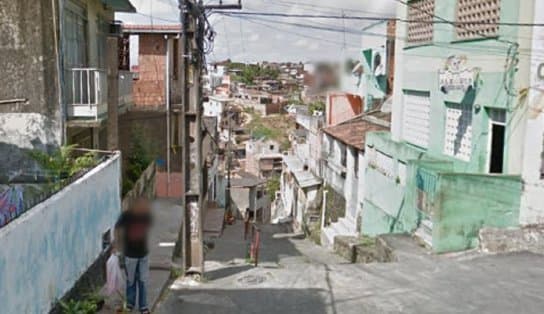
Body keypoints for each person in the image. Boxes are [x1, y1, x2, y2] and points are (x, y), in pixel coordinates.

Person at [115, 198, 153, 314]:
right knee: (131, 280)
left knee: (142, 281)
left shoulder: (146, 216)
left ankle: (143, 307)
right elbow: (117, 229)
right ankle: (131, 304)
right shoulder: (126, 216)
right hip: (130, 254)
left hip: (143, 254)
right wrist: (118, 245)